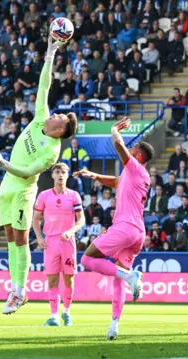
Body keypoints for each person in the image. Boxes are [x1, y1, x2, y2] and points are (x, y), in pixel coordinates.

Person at [0, 35, 78, 314]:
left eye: (59, 117)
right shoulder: (39, 119)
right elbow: (43, 86)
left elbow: (27, 172)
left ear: (60, 129)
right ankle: (14, 289)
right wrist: (49, 54)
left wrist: (2, 162)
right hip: (7, 186)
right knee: (10, 238)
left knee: (22, 239)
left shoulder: (52, 150)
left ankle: (21, 291)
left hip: (23, 189)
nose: (54, 115)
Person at [73, 118, 153, 341]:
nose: (131, 148)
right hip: (137, 234)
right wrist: (95, 176)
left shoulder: (135, 167)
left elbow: (118, 145)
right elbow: (117, 182)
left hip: (125, 227)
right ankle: (114, 325)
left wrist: (114, 130)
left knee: (87, 260)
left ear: (138, 156)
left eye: (134, 148)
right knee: (119, 280)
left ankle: (131, 276)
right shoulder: (136, 175)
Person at [32, 162, 85, 327]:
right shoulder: (44, 196)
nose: (60, 175)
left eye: (63, 172)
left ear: (67, 175)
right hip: (51, 242)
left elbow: (81, 219)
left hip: (67, 242)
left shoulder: (74, 195)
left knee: (69, 280)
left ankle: (67, 313)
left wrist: (72, 231)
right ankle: (54, 316)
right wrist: (39, 237)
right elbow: (36, 218)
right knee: (52, 280)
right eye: (57, 172)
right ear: (53, 175)